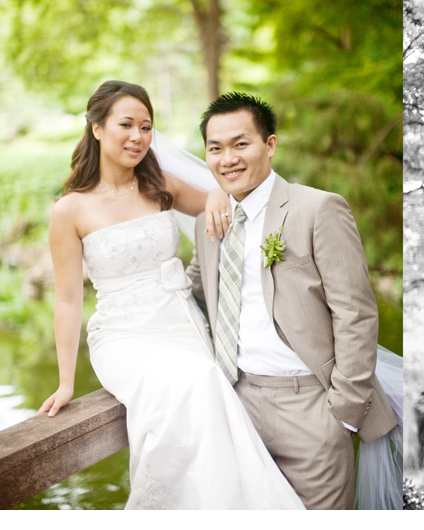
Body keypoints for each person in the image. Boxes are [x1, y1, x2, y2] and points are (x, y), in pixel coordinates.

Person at [39, 80, 304, 509]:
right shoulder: (70, 210)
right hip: (123, 335)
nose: (138, 137)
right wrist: (66, 381)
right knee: (195, 381)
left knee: (208, 385)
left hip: (182, 323)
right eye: (126, 124)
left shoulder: (159, 183)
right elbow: (69, 300)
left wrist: (217, 190)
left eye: (146, 126)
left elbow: (223, 204)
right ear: (97, 128)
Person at [186, 92, 400, 510]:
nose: (227, 158)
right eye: (215, 149)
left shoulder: (318, 208)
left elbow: (355, 314)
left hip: (312, 409)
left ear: (269, 145)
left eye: (240, 144)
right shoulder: (207, 222)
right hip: (237, 405)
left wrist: (342, 412)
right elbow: (193, 291)